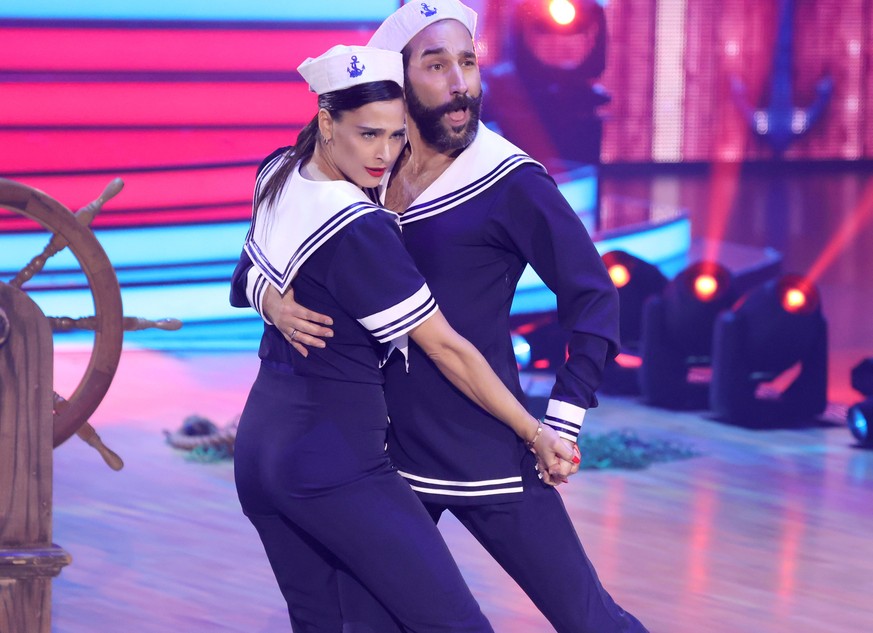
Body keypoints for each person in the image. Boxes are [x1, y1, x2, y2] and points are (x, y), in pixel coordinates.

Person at [233, 2, 650, 631]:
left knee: (588, 619)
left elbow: (593, 296)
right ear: (398, 78)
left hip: (487, 447)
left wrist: (560, 420)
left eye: (469, 62)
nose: (460, 83)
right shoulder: (367, 162)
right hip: (382, 456)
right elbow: (267, 250)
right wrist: (273, 300)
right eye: (437, 65)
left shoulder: (511, 180)